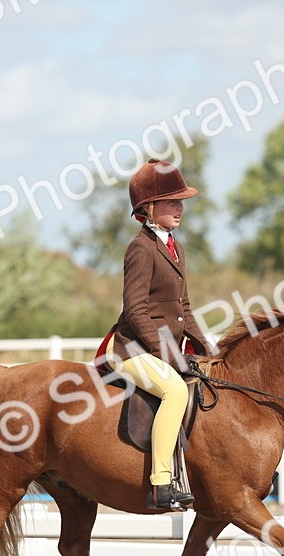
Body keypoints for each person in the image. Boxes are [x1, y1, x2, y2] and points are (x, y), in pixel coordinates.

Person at [107, 158, 210, 510]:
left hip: (164, 349)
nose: (180, 208)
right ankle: (161, 482)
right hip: (133, 351)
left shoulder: (176, 248)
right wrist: (170, 355)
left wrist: (209, 352)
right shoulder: (140, 248)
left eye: (181, 201)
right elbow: (135, 309)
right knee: (175, 390)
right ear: (149, 208)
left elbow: (185, 308)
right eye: (171, 202)